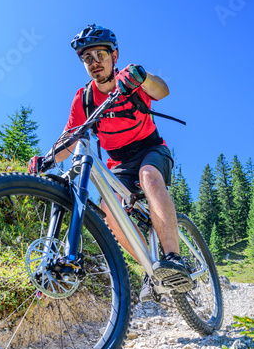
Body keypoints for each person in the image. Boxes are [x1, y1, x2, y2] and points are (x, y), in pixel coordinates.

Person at [28, 24, 193, 296]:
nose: (94, 63)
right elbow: (70, 139)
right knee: (109, 211)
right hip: (119, 165)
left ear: (114, 56)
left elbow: (162, 91)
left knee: (149, 176)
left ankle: (174, 259)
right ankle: (153, 271)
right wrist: (47, 158)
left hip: (151, 150)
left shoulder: (130, 78)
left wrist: (142, 76)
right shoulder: (84, 99)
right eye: (87, 58)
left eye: (100, 55)